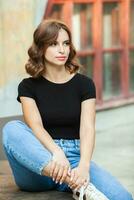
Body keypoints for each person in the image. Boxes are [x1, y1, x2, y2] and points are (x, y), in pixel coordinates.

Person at [2, 19, 133, 200]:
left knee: (123, 197)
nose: (62, 50)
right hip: (38, 163)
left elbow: (87, 128)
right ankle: (74, 183)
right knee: (12, 128)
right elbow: (36, 126)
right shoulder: (27, 87)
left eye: (66, 43)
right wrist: (56, 153)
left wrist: (84, 166)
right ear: (40, 48)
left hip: (74, 159)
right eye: (54, 44)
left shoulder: (84, 84)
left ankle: (73, 179)